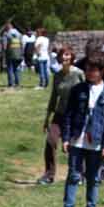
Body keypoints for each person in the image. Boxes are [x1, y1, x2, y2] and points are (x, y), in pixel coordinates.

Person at [60, 51, 104, 207]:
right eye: (87, 70)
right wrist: (66, 138)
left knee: (93, 177)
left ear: (103, 71)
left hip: (97, 142)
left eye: (93, 70)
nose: (89, 73)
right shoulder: (77, 90)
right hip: (77, 140)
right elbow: (69, 115)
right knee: (73, 175)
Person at [38, 45, 83, 184]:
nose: (65, 57)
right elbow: (53, 97)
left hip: (75, 115)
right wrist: (47, 119)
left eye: (68, 54)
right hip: (60, 113)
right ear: (59, 57)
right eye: (63, 54)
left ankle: (80, 174)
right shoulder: (57, 76)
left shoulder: (79, 73)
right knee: (51, 141)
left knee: (76, 145)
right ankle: (49, 175)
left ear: (72, 57)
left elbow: (87, 93)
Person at [2, 21, 23, 87]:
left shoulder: (6, 34)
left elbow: (4, 46)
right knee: (16, 69)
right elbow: (22, 44)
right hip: (19, 54)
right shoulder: (19, 34)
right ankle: (17, 83)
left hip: (10, 54)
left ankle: (11, 83)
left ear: (7, 28)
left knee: (10, 69)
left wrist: (4, 53)